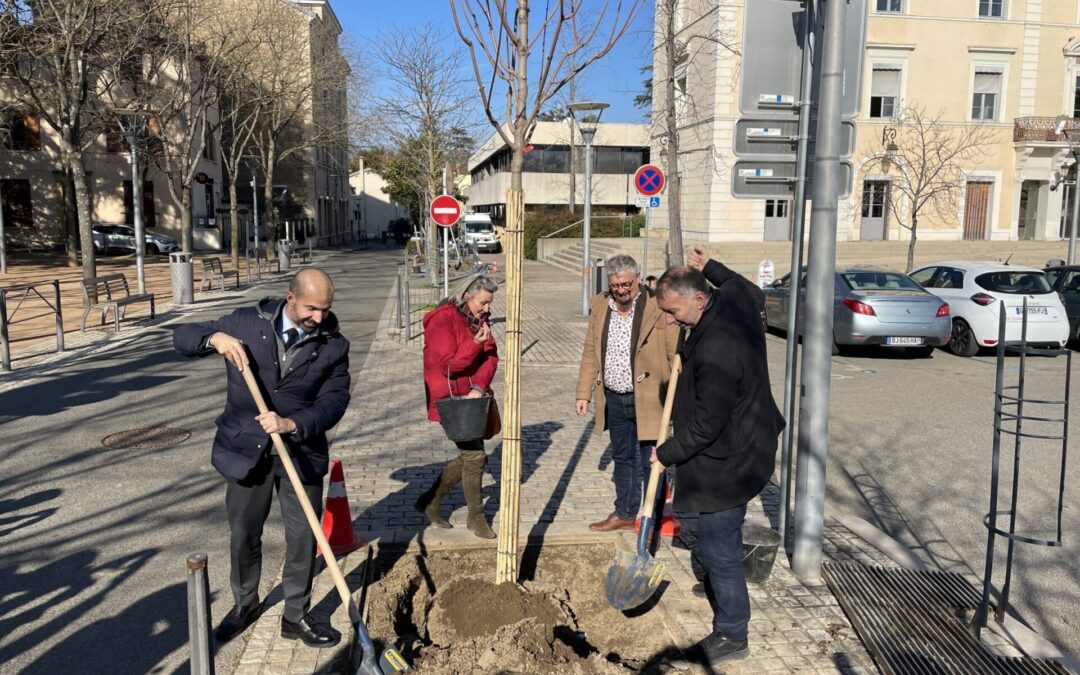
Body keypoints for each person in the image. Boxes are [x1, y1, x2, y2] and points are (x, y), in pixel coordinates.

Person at [173, 268, 350, 648]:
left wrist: (291, 423)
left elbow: (335, 402)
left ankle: (296, 615)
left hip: (300, 451)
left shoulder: (334, 344)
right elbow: (181, 337)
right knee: (244, 533)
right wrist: (212, 337)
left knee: (303, 537)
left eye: (325, 309)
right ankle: (245, 603)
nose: (318, 318)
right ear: (290, 298)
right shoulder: (246, 324)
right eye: (311, 308)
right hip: (245, 450)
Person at [651, 258, 784, 666]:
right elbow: (750, 288)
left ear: (699, 299)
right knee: (714, 539)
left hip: (733, 457)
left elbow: (705, 429)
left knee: (719, 542)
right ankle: (717, 584)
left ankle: (732, 633)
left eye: (673, 312)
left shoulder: (716, 352)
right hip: (749, 437)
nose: (670, 322)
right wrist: (710, 265)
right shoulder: (735, 301)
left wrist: (665, 453)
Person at [575, 255, 679, 531]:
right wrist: (583, 393)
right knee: (623, 458)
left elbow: (674, 355)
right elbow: (590, 351)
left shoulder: (658, 306)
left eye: (625, 284)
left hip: (650, 399)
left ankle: (653, 519)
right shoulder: (600, 306)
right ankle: (624, 512)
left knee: (652, 461)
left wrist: (676, 399)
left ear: (638, 278)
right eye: (615, 285)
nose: (620, 290)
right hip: (614, 398)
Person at [416, 275, 500, 539]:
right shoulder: (442, 319)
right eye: (483, 302)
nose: (487, 309)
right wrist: (474, 344)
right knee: (475, 456)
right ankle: (475, 517)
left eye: (489, 303)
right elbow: (449, 366)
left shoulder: (477, 319)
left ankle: (431, 500)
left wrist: (479, 386)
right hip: (451, 400)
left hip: (473, 397)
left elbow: (491, 357)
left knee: (469, 455)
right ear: (466, 295)